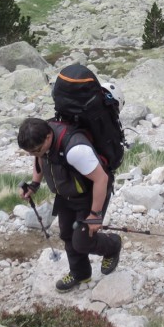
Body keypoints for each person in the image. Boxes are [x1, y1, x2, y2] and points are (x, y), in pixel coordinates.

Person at [18, 117, 123, 292]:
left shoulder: (75, 150)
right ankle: (80, 273)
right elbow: (40, 158)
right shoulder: (42, 144)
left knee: (82, 241)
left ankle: (113, 246)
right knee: (67, 235)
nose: (34, 154)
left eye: (36, 150)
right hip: (66, 195)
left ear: (49, 137)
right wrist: (34, 185)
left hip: (90, 194)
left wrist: (95, 214)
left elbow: (101, 179)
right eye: (30, 152)